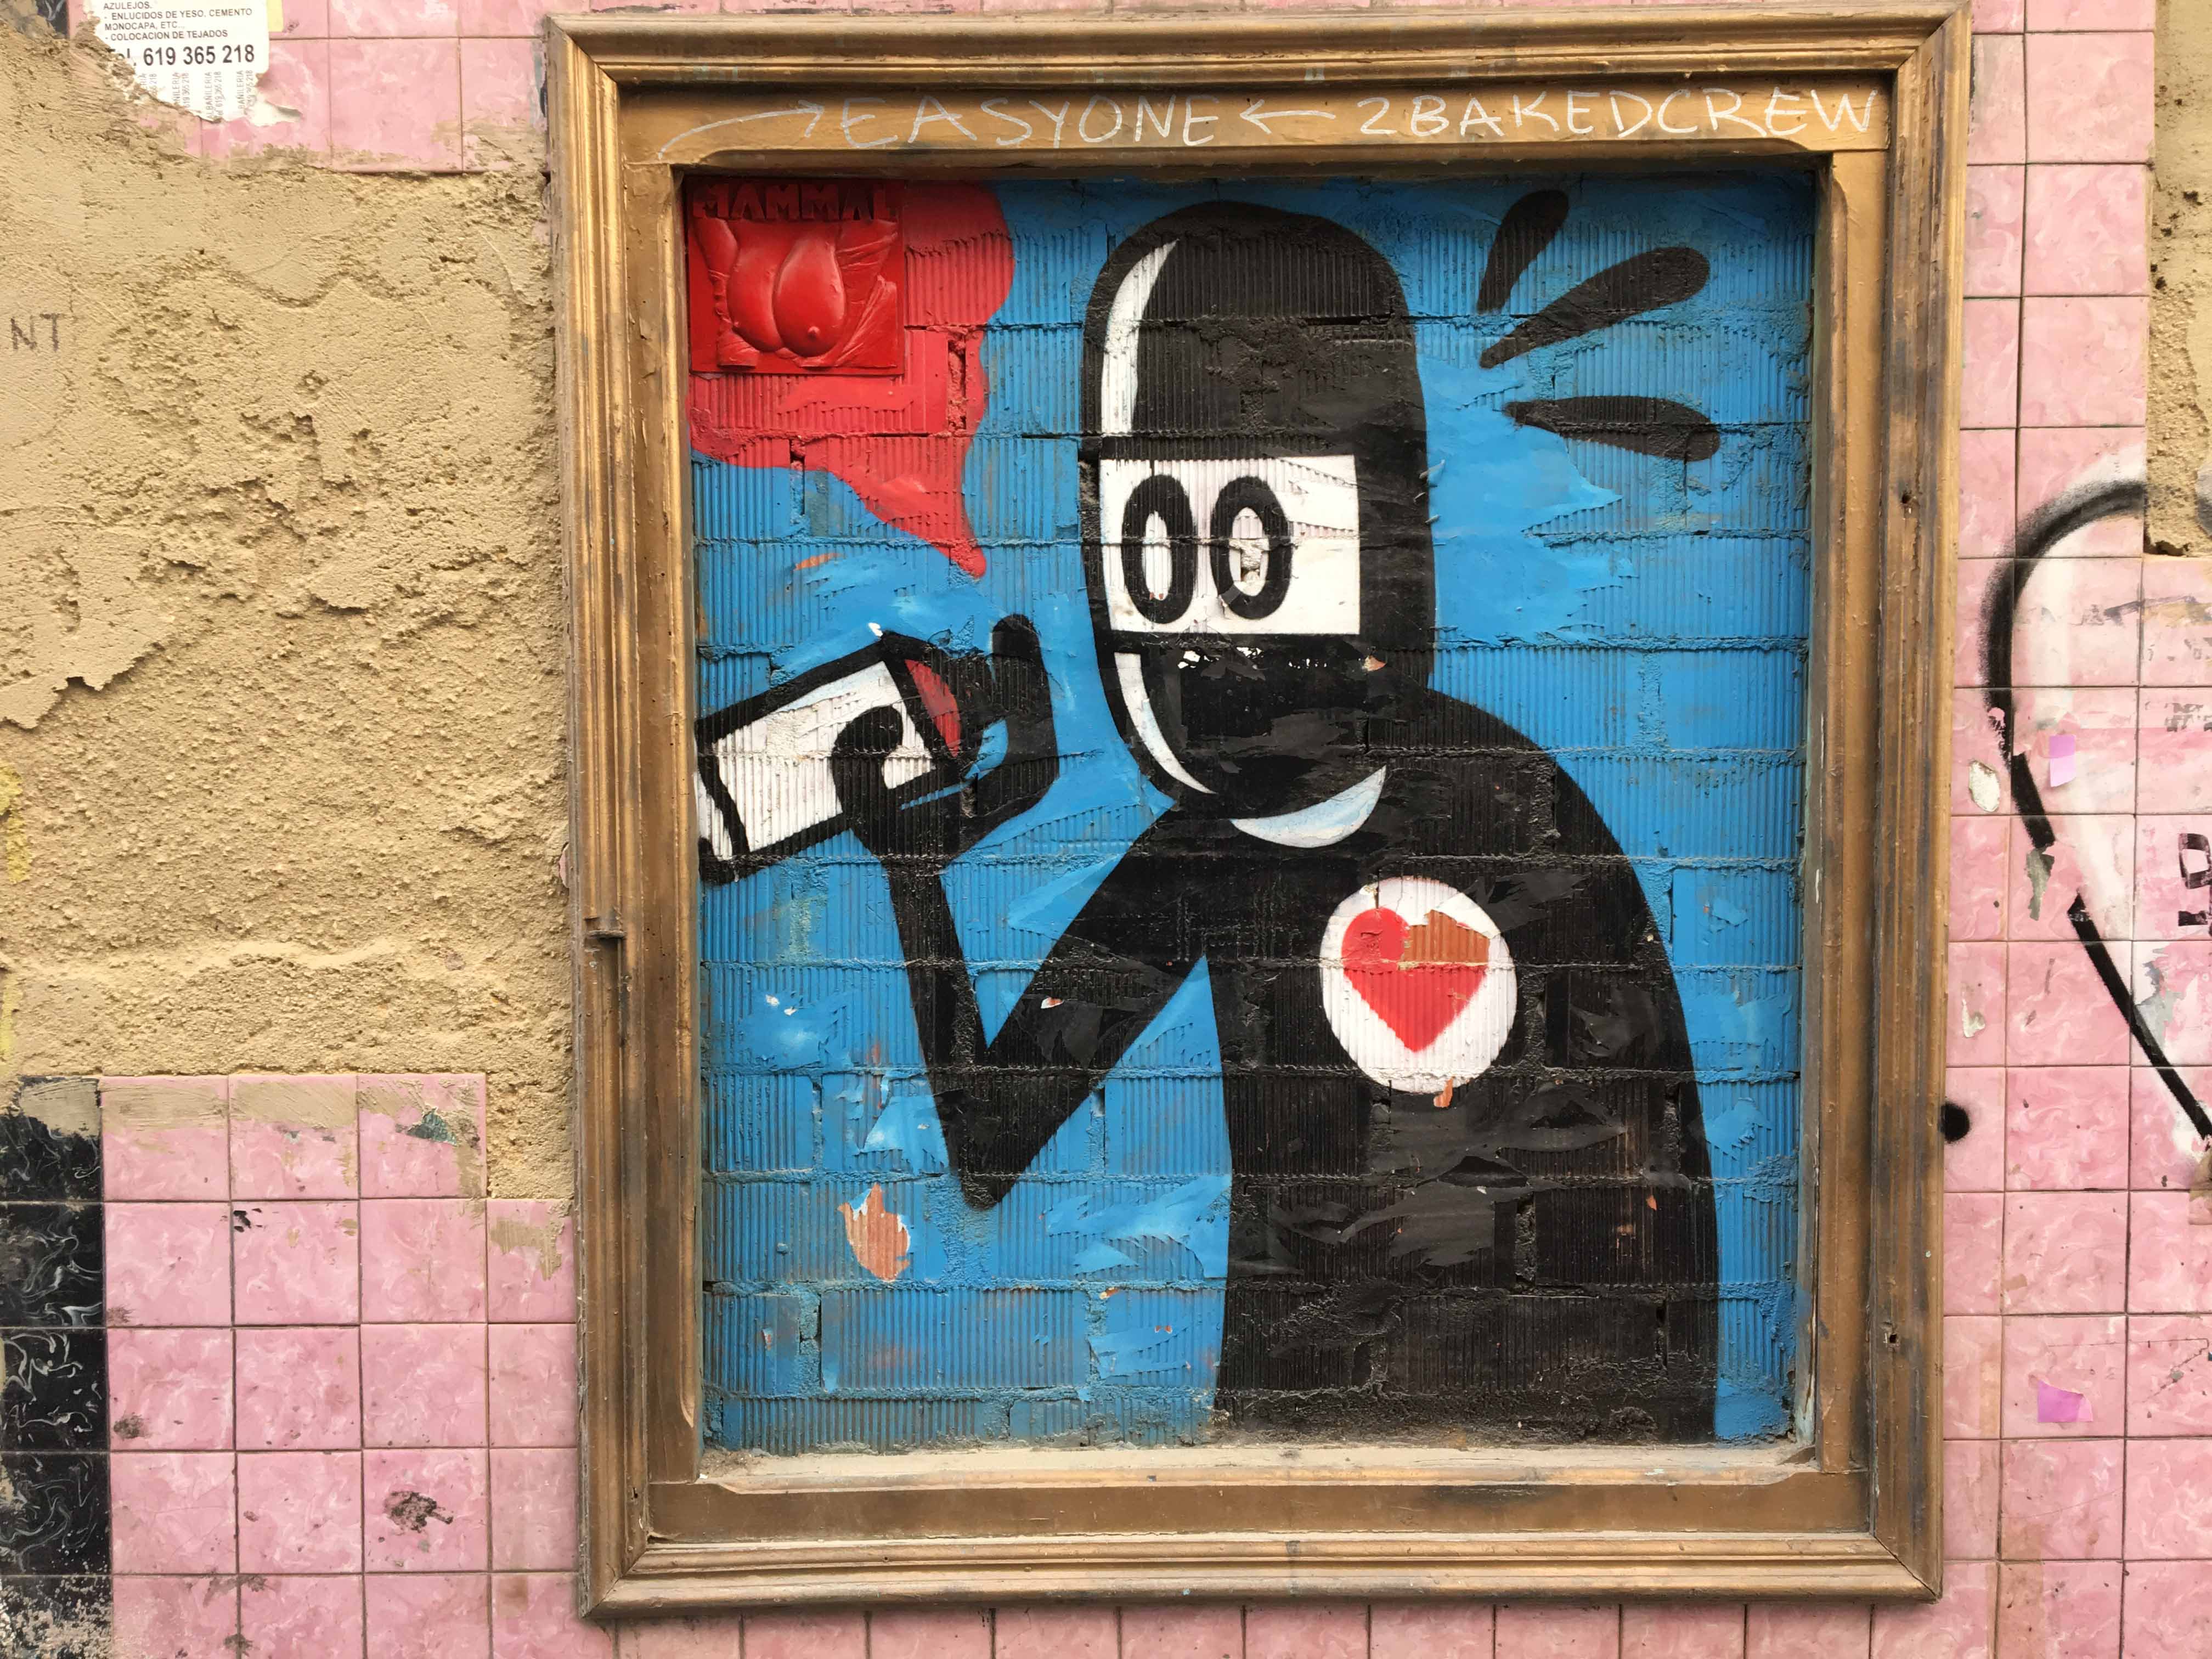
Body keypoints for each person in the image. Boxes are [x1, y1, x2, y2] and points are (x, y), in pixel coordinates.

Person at [825, 201, 1719, 1440]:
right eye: (1152, 550)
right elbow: (989, 1135)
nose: (1203, 634)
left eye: (1257, 548)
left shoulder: (1510, 804)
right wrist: (915, 879)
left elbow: (1648, 1173)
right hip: (1291, 1440)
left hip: (1559, 1447)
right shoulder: (1204, 847)